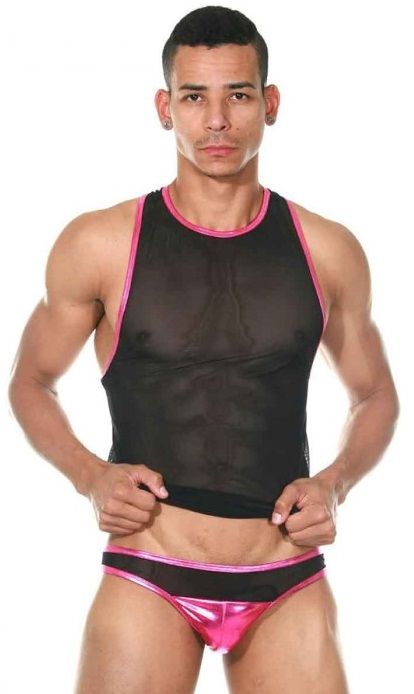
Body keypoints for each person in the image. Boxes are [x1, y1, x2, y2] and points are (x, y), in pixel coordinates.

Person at [8, 5, 399, 694]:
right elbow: (30, 380)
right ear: (165, 108)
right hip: (150, 573)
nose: (216, 120)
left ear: (270, 103)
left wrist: (334, 486)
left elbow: (375, 394)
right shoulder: (100, 243)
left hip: (285, 575)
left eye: (238, 95)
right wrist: (89, 475)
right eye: (194, 97)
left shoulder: (329, 250)